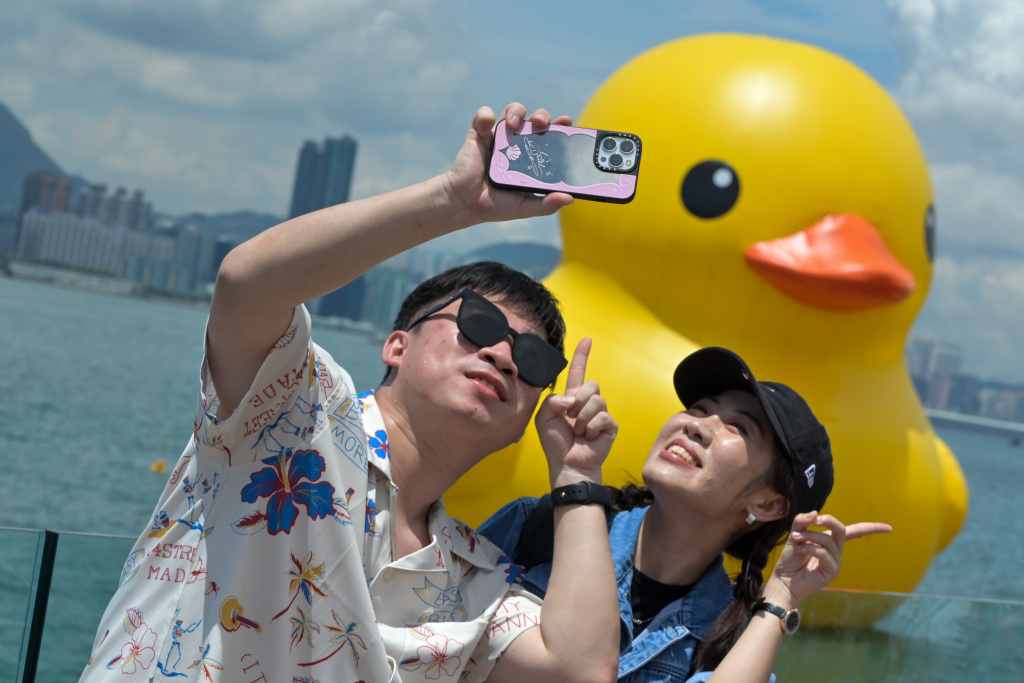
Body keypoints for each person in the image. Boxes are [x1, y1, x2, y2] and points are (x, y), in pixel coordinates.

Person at [80, 103, 621, 683]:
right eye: (480, 324)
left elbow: (579, 669)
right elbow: (248, 284)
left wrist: (576, 476)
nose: (503, 355)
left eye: (533, 358)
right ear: (396, 346)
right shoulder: (298, 408)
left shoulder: (475, 578)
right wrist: (453, 202)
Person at [480, 346, 893, 682]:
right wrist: (575, 472)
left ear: (768, 504)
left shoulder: (735, 648)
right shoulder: (534, 528)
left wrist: (783, 594)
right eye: (698, 408)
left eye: (738, 427)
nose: (697, 425)